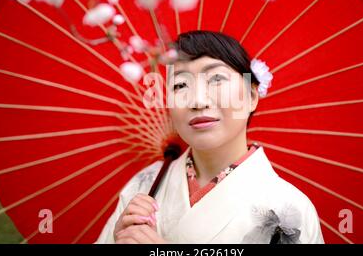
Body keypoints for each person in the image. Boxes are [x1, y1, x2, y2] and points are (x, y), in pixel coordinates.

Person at [95, 30, 324, 244]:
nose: (197, 101)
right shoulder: (144, 184)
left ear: (252, 96)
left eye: (216, 79)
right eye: (180, 84)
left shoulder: (289, 210)